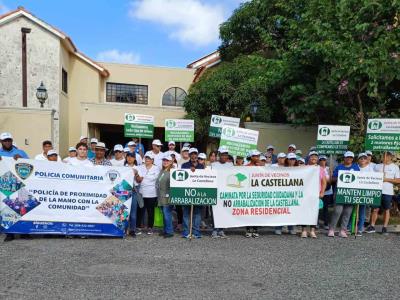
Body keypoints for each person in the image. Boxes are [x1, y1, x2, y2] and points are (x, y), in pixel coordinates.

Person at [0, 132, 29, 242]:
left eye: (9, 140)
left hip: (21, 182)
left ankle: (24, 232)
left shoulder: (20, 152)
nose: (7, 142)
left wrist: (22, 159)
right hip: (5, 182)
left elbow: (31, 165)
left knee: (23, 207)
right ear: (1, 142)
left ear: (12, 141)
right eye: (5, 140)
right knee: (8, 208)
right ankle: (10, 233)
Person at [366, 151, 400, 235]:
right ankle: (372, 226)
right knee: (375, 209)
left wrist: (386, 179)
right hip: (376, 190)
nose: (386, 157)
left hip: (387, 192)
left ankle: (384, 227)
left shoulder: (395, 167)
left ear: (391, 157)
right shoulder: (377, 166)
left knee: (386, 209)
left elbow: (398, 180)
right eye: (384, 155)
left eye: (388, 155)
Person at [328, 151, 360, 238]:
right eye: (347, 157)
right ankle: (331, 229)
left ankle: (343, 230)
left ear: (353, 159)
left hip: (351, 193)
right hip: (339, 192)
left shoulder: (356, 167)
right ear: (344, 158)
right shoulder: (339, 167)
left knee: (347, 212)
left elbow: (359, 179)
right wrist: (339, 177)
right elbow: (333, 179)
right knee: (337, 211)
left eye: (351, 157)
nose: (349, 159)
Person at [301, 151, 326, 238]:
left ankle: (312, 231)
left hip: (316, 194)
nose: (314, 158)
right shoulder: (304, 168)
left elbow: (324, 182)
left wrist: (322, 192)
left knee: (315, 213)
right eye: (312, 156)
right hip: (305, 194)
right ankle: (304, 230)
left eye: (315, 156)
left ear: (318, 159)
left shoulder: (320, 169)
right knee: (304, 212)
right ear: (309, 157)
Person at [181, 148, 204, 238]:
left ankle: (196, 232)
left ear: (197, 155)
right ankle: (186, 231)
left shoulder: (202, 166)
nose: (194, 156)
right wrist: (189, 171)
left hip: (198, 192)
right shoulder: (184, 165)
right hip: (187, 192)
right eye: (192, 154)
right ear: (189, 155)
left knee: (197, 213)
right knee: (186, 213)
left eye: (195, 154)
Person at [210, 146, 233, 238]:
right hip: (215, 192)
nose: (224, 156)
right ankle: (215, 230)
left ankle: (221, 230)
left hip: (226, 193)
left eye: (226, 154)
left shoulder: (230, 165)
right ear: (219, 155)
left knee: (224, 211)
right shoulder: (214, 165)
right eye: (222, 154)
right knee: (214, 212)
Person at [135, 153, 159, 235]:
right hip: (141, 193)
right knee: (140, 211)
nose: (147, 160)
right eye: (146, 158)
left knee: (150, 211)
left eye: (149, 158)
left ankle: (150, 228)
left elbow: (154, 179)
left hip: (152, 193)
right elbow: (134, 172)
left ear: (152, 160)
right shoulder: (140, 167)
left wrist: (143, 177)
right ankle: (138, 227)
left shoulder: (156, 168)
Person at [275, 152, 297, 236]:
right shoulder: (283, 168)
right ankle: (278, 227)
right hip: (282, 193)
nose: (292, 161)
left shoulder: (299, 169)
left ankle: (291, 227)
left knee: (292, 210)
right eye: (290, 159)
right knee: (281, 210)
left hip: (293, 193)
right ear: (287, 160)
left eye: (293, 159)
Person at [355, 152, 375, 236]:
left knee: (362, 211)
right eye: (361, 158)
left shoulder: (370, 169)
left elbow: (373, 180)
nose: (363, 160)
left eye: (364, 158)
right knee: (353, 210)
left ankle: (360, 229)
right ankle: (350, 227)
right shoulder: (355, 167)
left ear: (367, 160)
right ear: (358, 160)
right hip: (355, 192)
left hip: (364, 193)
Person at [157, 155, 174, 238]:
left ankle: (170, 231)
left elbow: (173, 186)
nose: (165, 162)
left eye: (167, 160)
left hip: (167, 197)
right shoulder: (162, 171)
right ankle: (165, 230)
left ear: (171, 162)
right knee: (164, 214)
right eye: (164, 160)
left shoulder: (172, 172)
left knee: (167, 215)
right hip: (161, 197)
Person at [245, 149, 261, 238]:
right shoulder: (246, 167)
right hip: (248, 192)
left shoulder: (261, 167)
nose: (257, 157)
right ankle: (248, 229)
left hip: (258, 193)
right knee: (248, 212)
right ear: (251, 157)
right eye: (256, 156)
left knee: (256, 212)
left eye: (258, 156)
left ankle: (255, 229)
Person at [124, 151, 140, 237]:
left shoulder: (138, 168)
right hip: (124, 190)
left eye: (131, 157)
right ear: (126, 158)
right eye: (128, 156)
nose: (129, 158)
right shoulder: (123, 168)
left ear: (134, 158)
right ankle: (124, 228)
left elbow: (139, 181)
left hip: (134, 190)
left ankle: (132, 230)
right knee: (124, 211)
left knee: (133, 212)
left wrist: (136, 173)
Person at [318, 155, 333, 230]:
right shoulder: (316, 168)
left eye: (324, 160)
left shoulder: (328, 169)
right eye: (321, 160)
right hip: (318, 191)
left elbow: (330, 181)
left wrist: (328, 176)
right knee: (317, 208)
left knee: (325, 208)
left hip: (327, 191)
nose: (322, 161)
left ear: (326, 161)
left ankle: (326, 223)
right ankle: (316, 223)